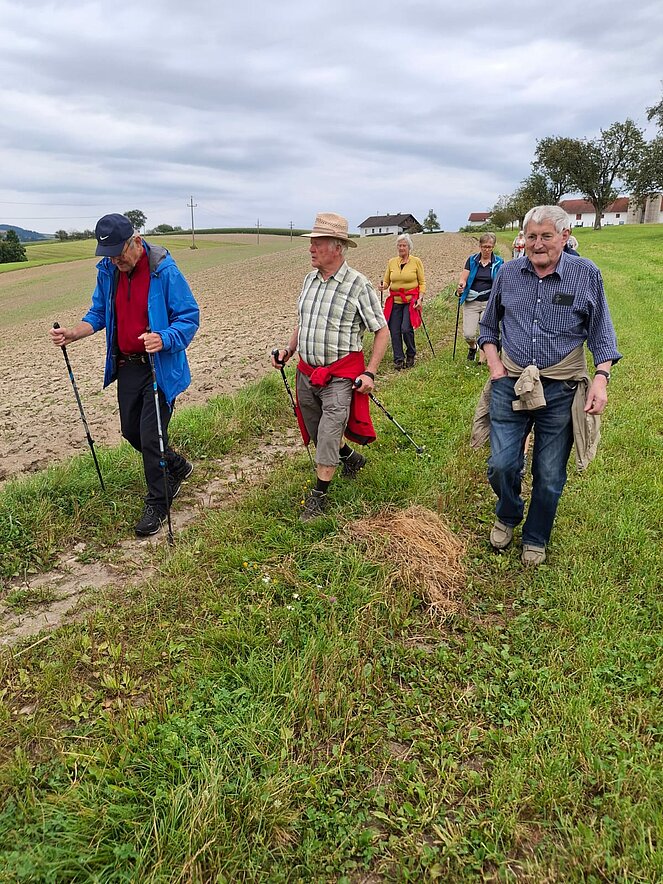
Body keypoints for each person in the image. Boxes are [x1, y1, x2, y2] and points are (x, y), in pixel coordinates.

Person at [477, 205, 621, 566]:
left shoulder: (585, 274)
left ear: (565, 236)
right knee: (501, 465)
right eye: (532, 236)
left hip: (562, 388)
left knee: (550, 473)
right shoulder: (508, 274)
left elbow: (602, 333)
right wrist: (495, 366)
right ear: (523, 238)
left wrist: (600, 379)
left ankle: (536, 536)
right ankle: (508, 513)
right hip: (510, 382)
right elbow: (488, 326)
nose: (537, 244)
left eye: (546, 236)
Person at [49, 213, 200, 537]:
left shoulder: (163, 269)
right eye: (109, 255)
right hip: (128, 365)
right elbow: (99, 312)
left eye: (119, 253)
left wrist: (164, 338)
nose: (115, 260)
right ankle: (176, 465)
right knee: (132, 432)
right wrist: (74, 333)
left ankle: (159, 501)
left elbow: (189, 316)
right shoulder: (108, 271)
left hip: (159, 366)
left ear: (136, 241)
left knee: (151, 436)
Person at [272, 212, 390, 521]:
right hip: (307, 373)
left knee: (328, 432)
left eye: (318, 242)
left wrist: (370, 372)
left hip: (340, 375)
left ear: (337, 247)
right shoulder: (309, 280)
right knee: (316, 429)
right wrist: (288, 350)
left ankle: (318, 497)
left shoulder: (358, 285)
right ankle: (351, 458)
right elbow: (303, 322)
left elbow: (382, 330)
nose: (311, 248)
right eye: (311, 242)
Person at [380, 233, 425, 369]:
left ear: (409, 247)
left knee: (406, 329)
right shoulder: (392, 262)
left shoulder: (416, 261)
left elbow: (422, 282)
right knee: (394, 331)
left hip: (411, 301)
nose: (401, 248)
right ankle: (398, 359)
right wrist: (383, 286)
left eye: (404, 245)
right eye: (399, 245)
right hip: (395, 301)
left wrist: (420, 299)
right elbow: (387, 281)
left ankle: (410, 354)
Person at [456, 233, 504, 363]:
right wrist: (461, 285)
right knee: (469, 335)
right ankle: (473, 347)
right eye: (484, 246)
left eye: (489, 247)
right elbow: (463, 278)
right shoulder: (472, 260)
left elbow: (501, 281)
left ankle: (481, 361)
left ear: (493, 247)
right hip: (471, 301)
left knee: (485, 332)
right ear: (480, 246)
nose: (487, 250)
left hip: (489, 302)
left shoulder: (499, 262)